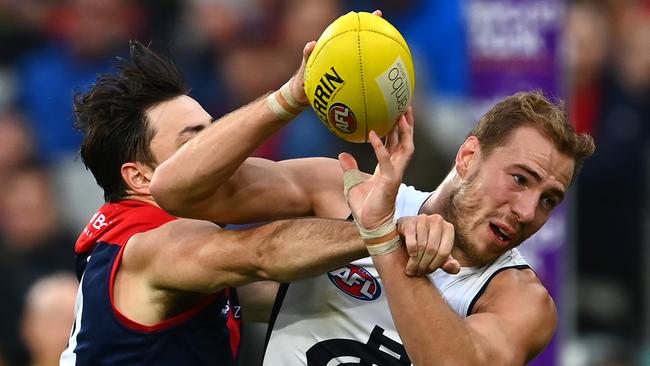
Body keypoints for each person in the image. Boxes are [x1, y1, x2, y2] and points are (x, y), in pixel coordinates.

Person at [150, 61, 595, 365]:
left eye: (549, 199)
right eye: (519, 179)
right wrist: (291, 97)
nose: (527, 210)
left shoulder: (521, 300)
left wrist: (382, 238)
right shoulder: (340, 191)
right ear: (468, 157)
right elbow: (176, 189)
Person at [60, 39, 451, 366]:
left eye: (214, 132)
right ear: (140, 177)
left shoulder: (134, 248)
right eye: (193, 140)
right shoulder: (150, 246)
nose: (218, 150)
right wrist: (386, 231)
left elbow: (280, 291)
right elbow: (263, 252)